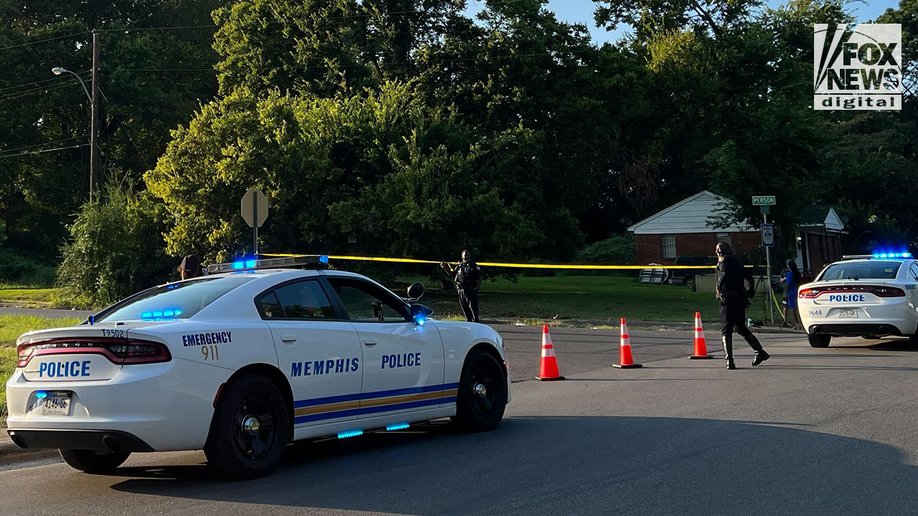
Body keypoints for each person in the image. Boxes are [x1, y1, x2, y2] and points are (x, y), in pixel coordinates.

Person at [715, 242, 770, 369]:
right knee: (740, 327)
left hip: (728, 299)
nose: (717, 254)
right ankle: (759, 351)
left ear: (720, 252)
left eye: (718, 251)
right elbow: (750, 278)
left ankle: (730, 360)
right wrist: (749, 295)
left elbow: (724, 273)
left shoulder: (723, 261)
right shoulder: (737, 262)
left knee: (726, 330)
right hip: (740, 298)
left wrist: (719, 287)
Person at [440, 250, 482, 323]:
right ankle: (468, 320)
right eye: (465, 255)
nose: (466, 256)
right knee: (464, 306)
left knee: (472, 306)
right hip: (461, 289)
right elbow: (453, 275)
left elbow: (480, 276)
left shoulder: (474, 266)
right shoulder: (459, 266)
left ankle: (476, 321)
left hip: (471, 289)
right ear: (462, 256)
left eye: (468, 255)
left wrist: (477, 287)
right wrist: (445, 267)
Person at [780, 259, 802, 330]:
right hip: (797, 290)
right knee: (797, 308)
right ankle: (800, 322)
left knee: (793, 308)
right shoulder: (797, 273)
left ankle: (796, 322)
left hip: (791, 292)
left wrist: (786, 293)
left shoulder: (789, 274)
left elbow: (788, 284)